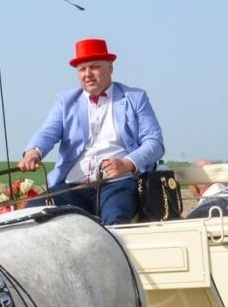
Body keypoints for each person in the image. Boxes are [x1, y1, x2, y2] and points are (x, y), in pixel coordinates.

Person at [19, 38, 165, 227]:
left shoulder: (135, 98)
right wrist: (34, 151)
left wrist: (127, 164)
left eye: (94, 67)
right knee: (33, 212)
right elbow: (48, 132)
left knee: (115, 220)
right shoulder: (65, 101)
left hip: (117, 185)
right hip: (73, 187)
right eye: (82, 69)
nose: (87, 74)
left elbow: (155, 142)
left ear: (110, 67)